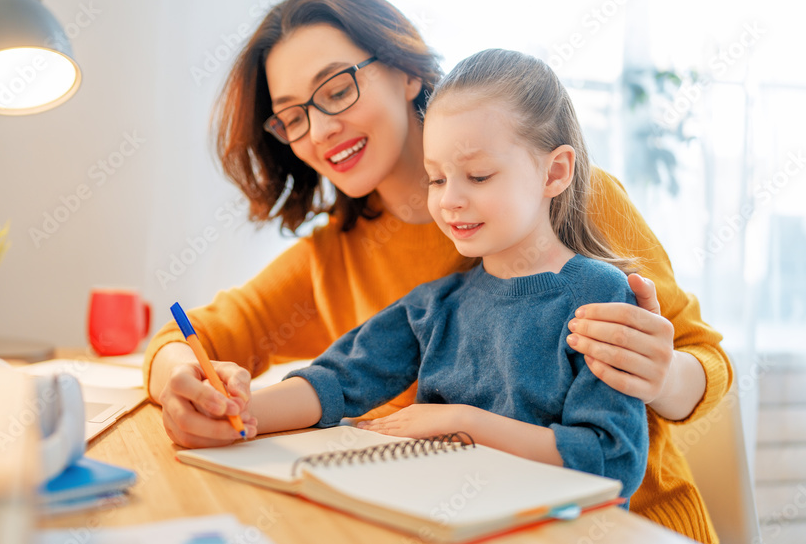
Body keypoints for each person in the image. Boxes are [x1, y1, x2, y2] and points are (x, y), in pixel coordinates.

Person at [144, 0, 729, 543]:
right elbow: (212, 341)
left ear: (404, 70)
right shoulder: (342, 259)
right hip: (462, 519)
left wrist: (661, 375)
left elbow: (700, 360)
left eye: (336, 88)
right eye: (294, 115)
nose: (321, 129)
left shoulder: (577, 204)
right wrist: (192, 391)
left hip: (633, 526)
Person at [236, 48, 650, 502]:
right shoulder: (436, 305)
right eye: (436, 179)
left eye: (477, 175)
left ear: (555, 172)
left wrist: (464, 424)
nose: (449, 200)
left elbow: (613, 459)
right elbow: (338, 380)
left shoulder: (600, 298)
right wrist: (239, 411)